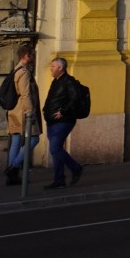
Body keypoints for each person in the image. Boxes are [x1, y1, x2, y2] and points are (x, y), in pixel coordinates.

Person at [41, 56, 86, 188]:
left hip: (64, 120)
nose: (51, 69)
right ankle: (59, 180)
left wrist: (63, 112)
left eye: (53, 66)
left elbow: (75, 99)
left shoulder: (69, 81)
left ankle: (76, 168)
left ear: (60, 68)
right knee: (56, 150)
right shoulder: (56, 81)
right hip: (52, 121)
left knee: (55, 148)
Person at [3, 43, 36, 186]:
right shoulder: (24, 72)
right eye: (32, 55)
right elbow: (26, 94)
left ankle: (12, 178)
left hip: (13, 110)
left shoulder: (15, 70)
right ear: (26, 56)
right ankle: (14, 167)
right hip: (22, 112)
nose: (34, 57)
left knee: (16, 141)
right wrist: (30, 112)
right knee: (34, 139)